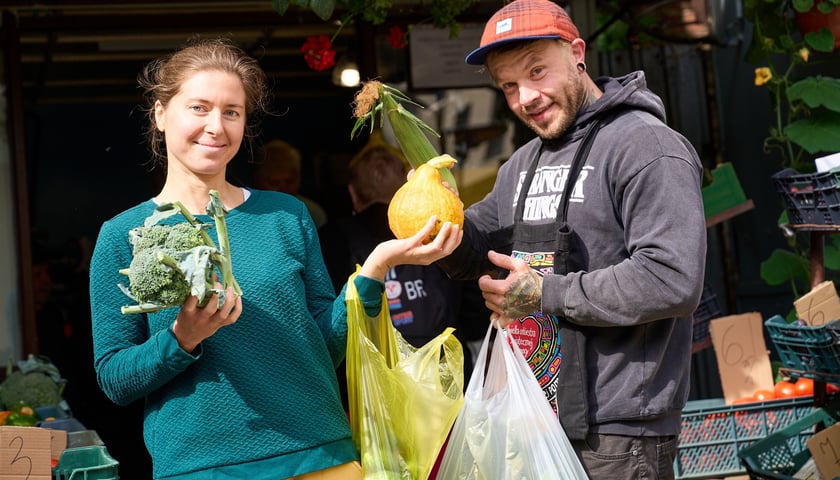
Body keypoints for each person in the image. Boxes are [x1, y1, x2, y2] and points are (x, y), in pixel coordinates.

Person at [88, 37, 461, 480]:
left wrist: (377, 266)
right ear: (161, 114)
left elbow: (325, 345)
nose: (216, 126)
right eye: (199, 108)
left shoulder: (285, 215)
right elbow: (115, 378)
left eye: (232, 112)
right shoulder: (124, 235)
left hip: (318, 456)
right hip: (204, 469)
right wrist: (181, 338)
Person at [433, 0, 708, 478]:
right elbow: (479, 245)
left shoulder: (647, 147)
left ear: (577, 53)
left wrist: (545, 293)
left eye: (537, 71)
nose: (526, 97)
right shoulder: (521, 165)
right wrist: (440, 221)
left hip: (618, 438)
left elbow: (671, 278)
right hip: (534, 423)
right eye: (509, 86)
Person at [318, 133, 484, 407]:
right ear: (407, 186)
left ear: (353, 194)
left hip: (372, 398)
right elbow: (475, 314)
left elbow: (331, 326)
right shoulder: (444, 226)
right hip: (445, 393)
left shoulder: (332, 240)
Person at [253, 139, 329, 229]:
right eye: (274, 183)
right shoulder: (248, 215)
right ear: (258, 180)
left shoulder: (313, 214)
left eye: (290, 181)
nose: (284, 189)